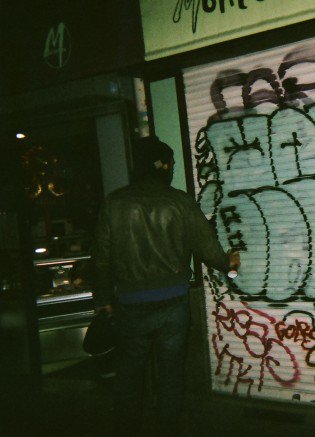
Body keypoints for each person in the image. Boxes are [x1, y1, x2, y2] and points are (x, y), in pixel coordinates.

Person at [91, 136, 239, 436]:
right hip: (173, 303)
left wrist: (104, 299)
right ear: (164, 166)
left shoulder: (115, 202)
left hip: (131, 304)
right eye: (170, 163)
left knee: (130, 377)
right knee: (171, 375)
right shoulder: (180, 201)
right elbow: (207, 248)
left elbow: (101, 258)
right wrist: (229, 263)